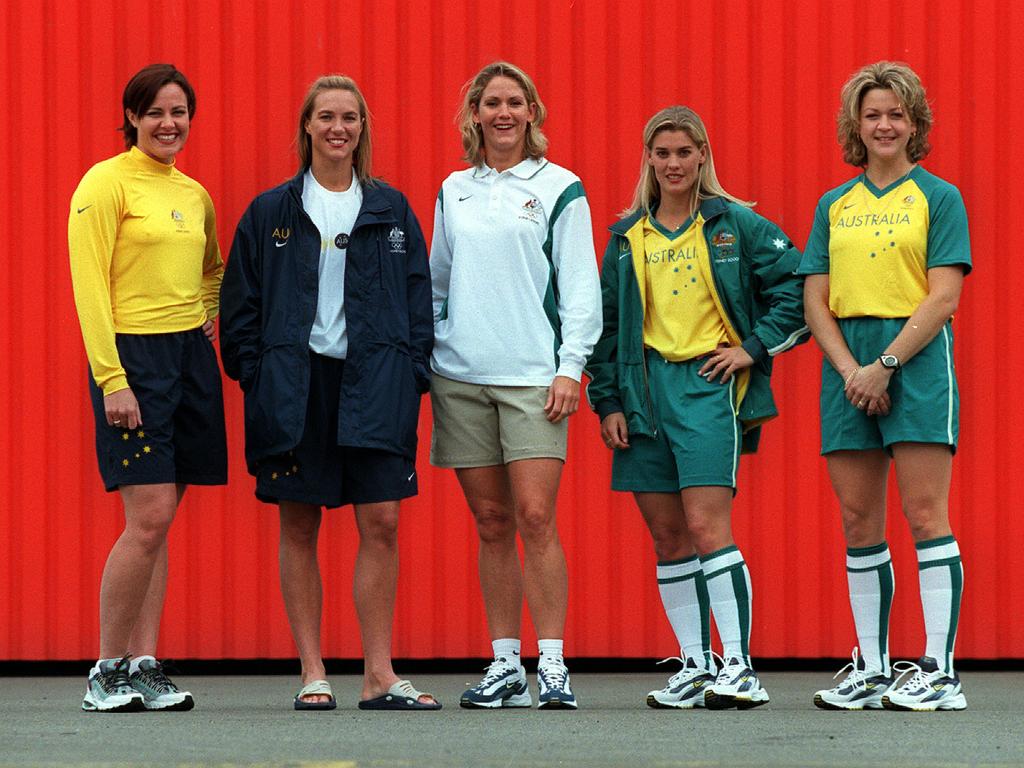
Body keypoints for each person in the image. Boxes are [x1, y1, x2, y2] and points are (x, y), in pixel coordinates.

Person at [219, 75, 438, 711]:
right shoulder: (271, 212)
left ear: (362, 128)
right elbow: (241, 308)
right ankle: (313, 671)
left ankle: (378, 674)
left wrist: (411, 372)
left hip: (375, 381)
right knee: (299, 522)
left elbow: (419, 298)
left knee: (383, 522)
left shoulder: (391, 209)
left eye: (350, 117)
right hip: (296, 384)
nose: (338, 127)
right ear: (307, 127)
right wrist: (258, 376)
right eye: (326, 117)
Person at [586, 106, 807, 710]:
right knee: (666, 536)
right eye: (662, 154)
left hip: (707, 388)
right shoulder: (628, 237)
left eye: (685, 152)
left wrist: (752, 349)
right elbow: (604, 327)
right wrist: (606, 399)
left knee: (708, 525)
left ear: (703, 155)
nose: (674, 164)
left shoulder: (736, 224)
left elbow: (800, 283)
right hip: (643, 393)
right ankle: (695, 664)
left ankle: (739, 667)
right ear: (648, 160)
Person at [429, 61, 602, 709]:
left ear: (533, 112)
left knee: (535, 517)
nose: (503, 113)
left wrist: (570, 366)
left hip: (535, 379)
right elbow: (438, 282)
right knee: (492, 521)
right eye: (490, 102)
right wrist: (432, 358)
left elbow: (581, 285)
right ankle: (504, 665)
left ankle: (552, 665)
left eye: (515, 102)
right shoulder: (454, 189)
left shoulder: (560, 187)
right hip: (461, 379)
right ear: (474, 114)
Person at [800, 61, 971, 711]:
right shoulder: (833, 205)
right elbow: (816, 299)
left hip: (916, 362)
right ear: (856, 124)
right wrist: (851, 370)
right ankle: (871, 668)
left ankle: (940, 671)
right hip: (847, 367)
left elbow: (944, 294)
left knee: (926, 514)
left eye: (896, 113)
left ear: (914, 122)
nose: (884, 124)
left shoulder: (938, 197)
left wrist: (887, 366)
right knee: (857, 519)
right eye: (872, 114)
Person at [68, 63, 226, 712]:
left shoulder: (193, 194)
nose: (169, 124)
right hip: (131, 362)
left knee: (158, 522)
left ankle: (144, 664)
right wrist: (112, 378)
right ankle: (106, 670)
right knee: (150, 515)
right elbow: (89, 287)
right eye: (156, 112)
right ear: (132, 116)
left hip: (186, 357)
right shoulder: (105, 184)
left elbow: (212, 268)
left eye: (179, 112)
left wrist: (202, 317)